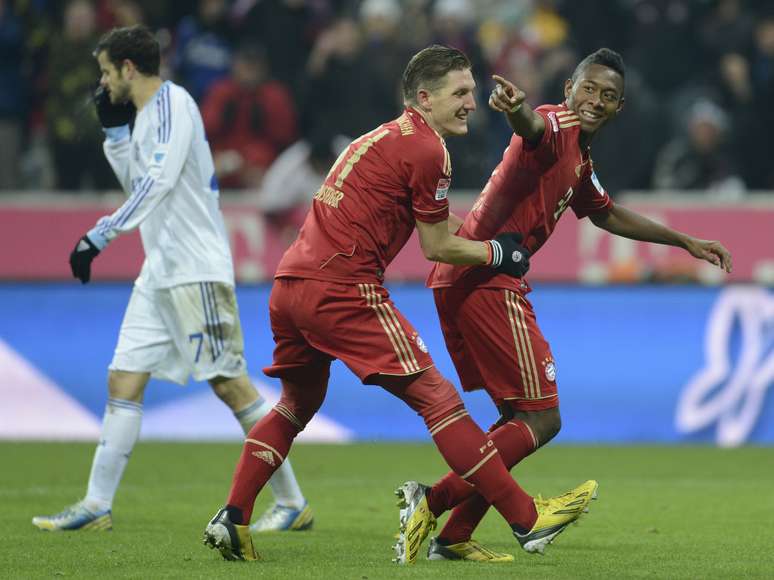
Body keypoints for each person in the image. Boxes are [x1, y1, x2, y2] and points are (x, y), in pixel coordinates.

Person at [202, 44, 594, 564]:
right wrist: (498, 252)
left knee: (295, 404)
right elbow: (436, 248)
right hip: (343, 288)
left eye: (472, 93)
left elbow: (439, 227)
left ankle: (232, 515)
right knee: (439, 400)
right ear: (425, 98)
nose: (471, 104)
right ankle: (526, 519)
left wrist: (484, 242)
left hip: (291, 284)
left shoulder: (383, 137)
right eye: (460, 93)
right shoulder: (430, 151)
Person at [410, 48, 733, 563]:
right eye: (588, 89)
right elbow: (533, 127)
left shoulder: (580, 159)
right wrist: (515, 109)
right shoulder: (556, 125)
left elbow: (606, 214)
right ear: (568, 89)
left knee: (515, 419)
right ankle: (430, 501)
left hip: (467, 278)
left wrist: (684, 241)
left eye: (608, 96)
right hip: (487, 277)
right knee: (544, 419)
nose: (595, 101)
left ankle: (451, 537)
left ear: (619, 107)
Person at [32, 25, 312, 534]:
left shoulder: (173, 106)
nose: (103, 83)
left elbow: (157, 185)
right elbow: (139, 183)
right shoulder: (142, 119)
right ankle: (97, 503)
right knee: (124, 378)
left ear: (128, 69)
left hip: (195, 270)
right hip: (159, 270)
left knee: (231, 386)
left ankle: (292, 501)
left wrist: (99, 235)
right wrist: (115, 136)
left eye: (105, 72)